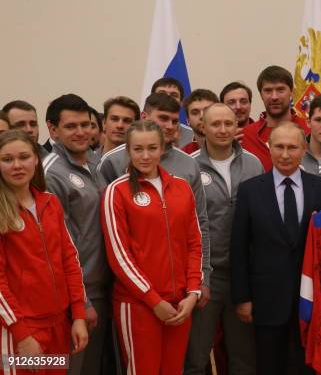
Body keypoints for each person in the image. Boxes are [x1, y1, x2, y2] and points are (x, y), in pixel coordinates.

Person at [231, 122, 321, 375]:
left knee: (308, 366)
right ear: (269, 148)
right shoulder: (250, 190)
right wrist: (242, 298)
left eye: (292, 147)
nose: (285, 154)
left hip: (312, 299)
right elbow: (239, 247)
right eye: (279, 147)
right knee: (269, 365)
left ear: (304, 149)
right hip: (266, 299)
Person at [101, 120, 203, 374]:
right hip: (138, 306)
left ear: (162, 148)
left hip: (180, 304)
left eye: (152, 148)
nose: (145, 156)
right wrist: (153, 300)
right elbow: (119, 256)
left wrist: (193, 293)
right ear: (128, 150)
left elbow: (194, 243)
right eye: (138, 149)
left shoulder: (181, 187)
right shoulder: (117, 191)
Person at [96, 92, 212, 295]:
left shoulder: (188, 163)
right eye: (163, 118)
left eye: (174, 121)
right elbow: (107, 230)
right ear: (145, 116)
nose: (169, 125)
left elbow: (200, 223)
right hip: (131, 284)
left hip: (181, 281)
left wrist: (202, 276)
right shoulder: (113, 161)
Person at [0, 130, 89, 371]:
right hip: (20, 330)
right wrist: (21, 334)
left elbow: (70, 260)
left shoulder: (50, 203)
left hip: (59, 325)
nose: (17, 165)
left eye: (24, 157)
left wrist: (78, 316)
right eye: (7, 160)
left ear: (36, 159)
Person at [185, 103, 263, 374]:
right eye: (215, 124)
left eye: (228, 124)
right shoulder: (190, 166)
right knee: (195, 356)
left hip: (244, 276)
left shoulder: (253, 163)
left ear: (237, 127)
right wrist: (199, 278)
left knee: (244, 357)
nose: (222, 129)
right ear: (202, 127)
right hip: (207, 275)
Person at [41, 94, 112, 374]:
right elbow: (58, 246)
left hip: (103, 287)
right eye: (71, 126)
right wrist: (81, 302)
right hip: (77, 296)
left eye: (86, 124)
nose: (81, 132)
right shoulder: (50, 174)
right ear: (53, 129)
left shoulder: (96, 163)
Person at [240, 65, 310, 170]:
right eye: (268, 91)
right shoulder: (245, 136)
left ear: (291, 92)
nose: (274, 97)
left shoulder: (309, 130)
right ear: (261, 95)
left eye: (280, 90)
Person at [151, 76, 195, 148]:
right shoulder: (134, 132)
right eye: (162, 94)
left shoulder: (192, 136)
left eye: (174, 95)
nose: (167, 98)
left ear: (181, 102)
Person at [181, 89, 220, 154]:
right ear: (188, 121)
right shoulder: (183, 156)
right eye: (195, 112)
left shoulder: (236, 148)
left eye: (207, 110)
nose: (202, 116)